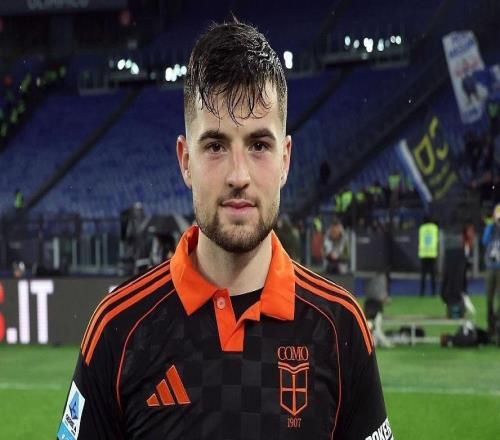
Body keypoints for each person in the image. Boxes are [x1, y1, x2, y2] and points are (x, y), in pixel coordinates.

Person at [58, 20, 390, 440]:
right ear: (185, 161)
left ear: (285, 160)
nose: (238, 176)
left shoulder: (340, 328)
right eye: (215, 146)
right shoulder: (117, 330)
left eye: (259, 145)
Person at [483, 204, 500, 337]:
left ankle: (497, 326)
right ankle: (490, 328)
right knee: (489, 299)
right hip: (490, 267)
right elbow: (484, 241)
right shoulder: (491, 228)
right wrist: (491, 226)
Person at [418, 215, 439, 296]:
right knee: (432, 274)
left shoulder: (421, 228)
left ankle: (422, 292)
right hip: (432, 253)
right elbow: (437, 239)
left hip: (423, 253)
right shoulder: (434, 228)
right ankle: (433, 292)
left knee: (423, 275)